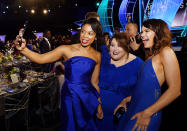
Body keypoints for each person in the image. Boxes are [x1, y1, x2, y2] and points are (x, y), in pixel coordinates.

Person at [15, 18, 104, 131]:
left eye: (90, 33)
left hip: (88, 98)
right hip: (70, 96)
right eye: (83, 31)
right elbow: (41, 58)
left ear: (96, 36)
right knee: (70, 126)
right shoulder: (66, 49)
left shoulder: (97, 56)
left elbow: (95, 83)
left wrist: (99, 105)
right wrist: (23, 50)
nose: (85, 36)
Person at [117, 19, 181, 131]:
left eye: (147, 31)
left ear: (158, 32)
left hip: (147, 113)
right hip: (135, 108)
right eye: (142, 32)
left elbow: (175, 90)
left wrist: (147, 113)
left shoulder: (166, 52)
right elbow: (146, 88)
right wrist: (127, 99)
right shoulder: (150, 56)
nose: (142, 35)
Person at [98, 32, 143, 131]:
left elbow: (143, 91)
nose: (115, 49)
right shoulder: (102, 58)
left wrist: (126, 100)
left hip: (121, 116)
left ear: (127, 47)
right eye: (113, 45)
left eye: (120, 46)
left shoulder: (138, 64)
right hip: (98, 113)